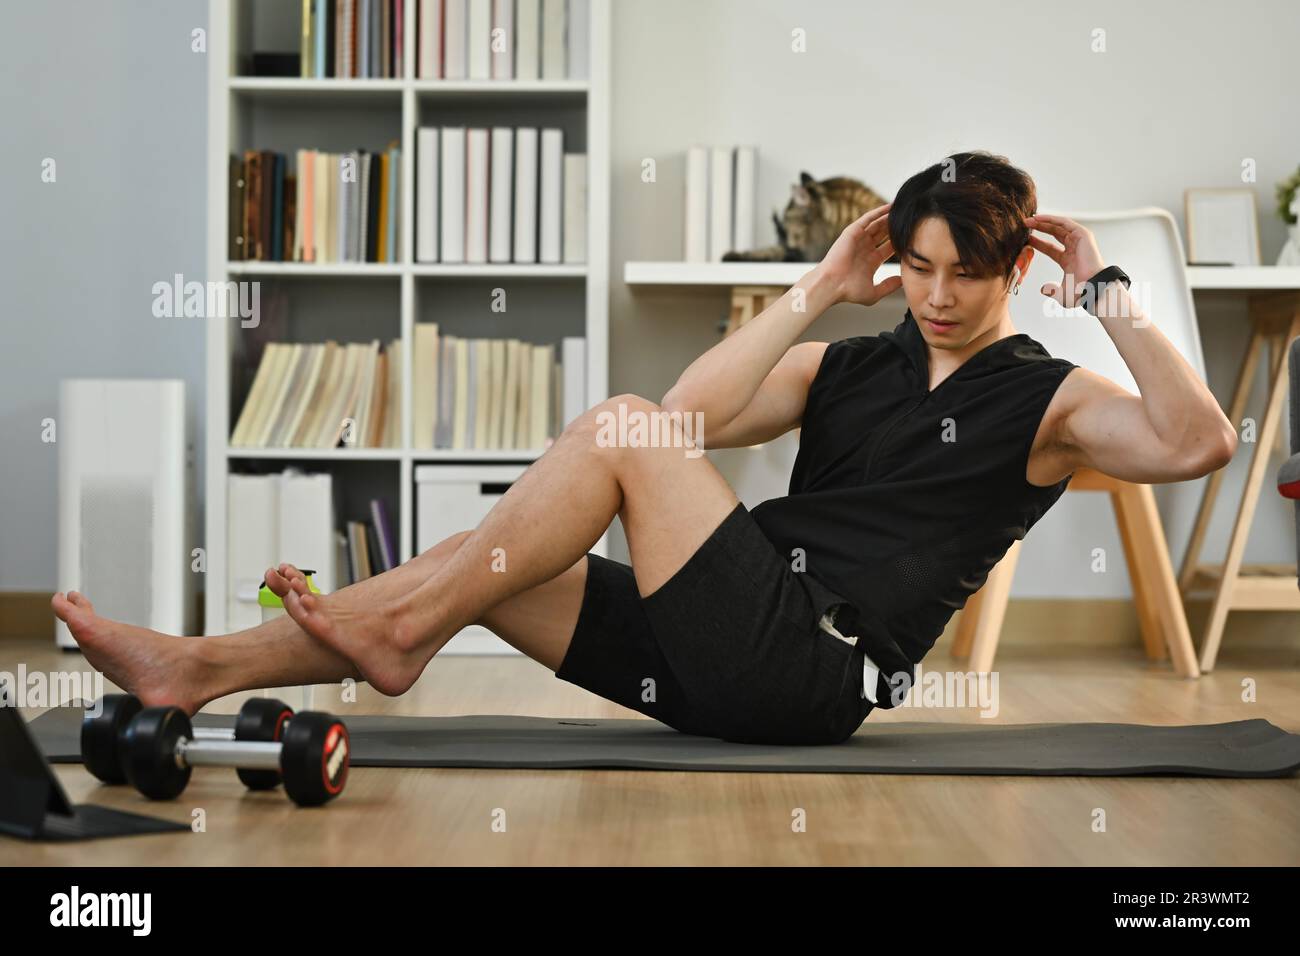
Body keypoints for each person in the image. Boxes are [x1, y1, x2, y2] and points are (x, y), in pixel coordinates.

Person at [52, 151, 1236, 746]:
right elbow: (690, 416)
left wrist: (1112, 294)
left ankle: (400, 637)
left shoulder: (1048, 396)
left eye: (963, 275)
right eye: (913, 266)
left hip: (811, 666)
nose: (931, 293)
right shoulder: (855, 359)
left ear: (1015, 271)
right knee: (494, 553)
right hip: (723, 633)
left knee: (611, 433)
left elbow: (1198, 442)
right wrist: (817, 287)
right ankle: (196, 669)